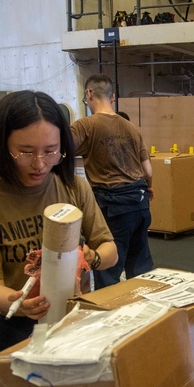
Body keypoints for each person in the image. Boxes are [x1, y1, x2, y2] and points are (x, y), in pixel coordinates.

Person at [0, 90, 118, 387]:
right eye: (25, 152)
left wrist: (88, 256)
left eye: (51, 151)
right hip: (21, 331)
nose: (39, 164)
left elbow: (110, 250)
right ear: (2, 146)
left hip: (78, 323)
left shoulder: (73, 187)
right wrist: (17, 301)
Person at [70, 74, 152, 287]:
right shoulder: (132, 128)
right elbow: (148, 170)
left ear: (88, 94)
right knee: (140, 269)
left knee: (108, 269)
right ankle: (146, 317)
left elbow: (54, 152)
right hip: (140, 203)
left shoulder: (85, 126)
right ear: (113, 97)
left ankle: (113, 316)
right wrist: (149, 189)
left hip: (114, 207)